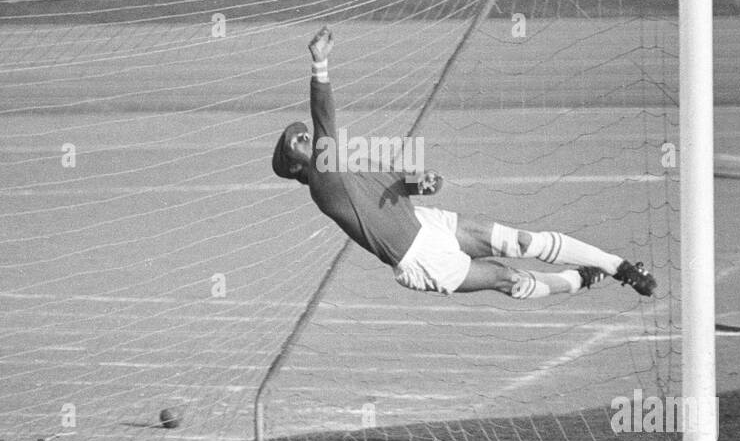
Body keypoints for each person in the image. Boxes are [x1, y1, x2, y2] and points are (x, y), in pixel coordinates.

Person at [271, 27, 657, 300]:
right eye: (298, 141)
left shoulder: (346, 164)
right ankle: (575, 281)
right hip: (419, 258)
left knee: (521, 241)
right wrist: (319, 64)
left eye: (303, 133)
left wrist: (416, 184)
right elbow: (324, 117)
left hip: (426, 222)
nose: (307, 137)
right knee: (509, 279)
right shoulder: (324, 183)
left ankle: (619, 266)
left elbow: (394, 182)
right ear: (295, 168)